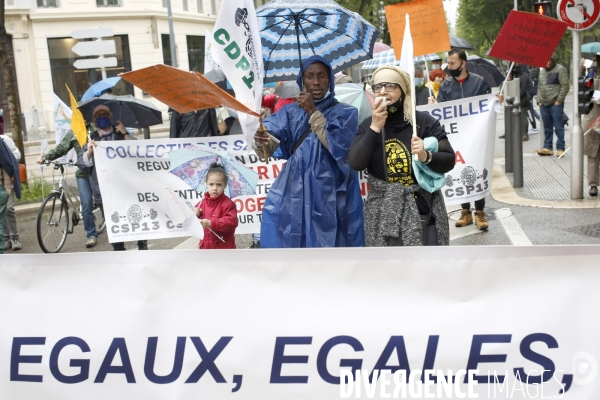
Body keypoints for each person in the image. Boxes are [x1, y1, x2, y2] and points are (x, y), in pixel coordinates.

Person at [253, 55, 365, 248]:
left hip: (330, 191)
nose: (316, 82)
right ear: (301, 80)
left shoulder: (346, 112)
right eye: (310, 76)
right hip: (294, 190)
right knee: (293, 241)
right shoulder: (290, 112)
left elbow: (338, 148)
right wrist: (261, 138)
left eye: (321, 76)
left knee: (331, 243)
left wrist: (313, 112)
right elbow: (269, 145)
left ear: (329, 79)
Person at [348, 66, 455, 246]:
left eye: (390, 86)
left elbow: (449, 160)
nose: (383, 92)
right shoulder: (368, 125)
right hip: (382, 212)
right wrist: (375, 128)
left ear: (403, 90)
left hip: (422, 208)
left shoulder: (423, 122)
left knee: (427, 267)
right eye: (377, 87)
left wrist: (425, 156)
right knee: (389, 271)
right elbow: (356, 162)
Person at [431, 49, 504, 231]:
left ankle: (479, 211)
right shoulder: (446, 87)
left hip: (476, 137)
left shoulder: (479, 83)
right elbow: (442, 113)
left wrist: (496, 101)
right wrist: (435, 107)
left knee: (477, 169)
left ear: (463, 64)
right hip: (456, 138)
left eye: (453, 63)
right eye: (448, 63)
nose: (449, 67)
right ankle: (465, 211)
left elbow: (488, 106)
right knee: (459, 170)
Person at [81, 105, 148, 251]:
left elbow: (134, 153)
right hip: (104, 190)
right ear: (94, 120)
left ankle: (142, 243)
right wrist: (90, 151)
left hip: (125, 186)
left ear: (110, 117)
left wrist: (126, 135)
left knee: (134, 214)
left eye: (105, 115)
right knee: (114, 221)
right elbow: (83, 164)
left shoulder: (120, 134)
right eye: (99, 116)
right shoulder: (91, 138)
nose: (102, 118)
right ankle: (118, 249)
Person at [39, 130, 98, 248]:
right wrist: (46, 157)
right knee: (86, 204)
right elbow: (62, 148)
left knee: (103, 202)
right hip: (83, 174)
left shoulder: (96, 129)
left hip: (98, 173)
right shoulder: (75, 131)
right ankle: (91, 235)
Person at [193, 163, 238, 249]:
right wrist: (195, 214)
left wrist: (211, 223)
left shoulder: (229, 204)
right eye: (211, 184)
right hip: (205, 247)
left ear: (225, 185)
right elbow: (193, 223)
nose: (214, 188)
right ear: (206, 184)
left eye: (219, 184)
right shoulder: (201, 203)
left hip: (223, 248)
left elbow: (231, 222)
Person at [536, 54, 569, 157]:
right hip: (544, 103)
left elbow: (565, 86)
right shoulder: (542, 72)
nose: (548, 62)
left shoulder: (560, 69)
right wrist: (539, 100)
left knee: (558, 126)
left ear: (553, 60)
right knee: (547, 127)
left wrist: (559, 100)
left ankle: (560, 148)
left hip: (555, 103)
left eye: (549, 60)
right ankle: (548, 147)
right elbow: (539, 87)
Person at [0, 122, 22, 251]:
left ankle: (15, 237)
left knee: (8, 209)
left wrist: (8, 160)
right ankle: (6, 238)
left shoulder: (5, 140)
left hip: (7, 181)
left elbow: (17, 154)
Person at [583, 59, 600, 196]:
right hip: (593, 121)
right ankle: (593, 185)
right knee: (592, 154)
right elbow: (583, 89)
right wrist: (582, 67)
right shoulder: (591, 75)